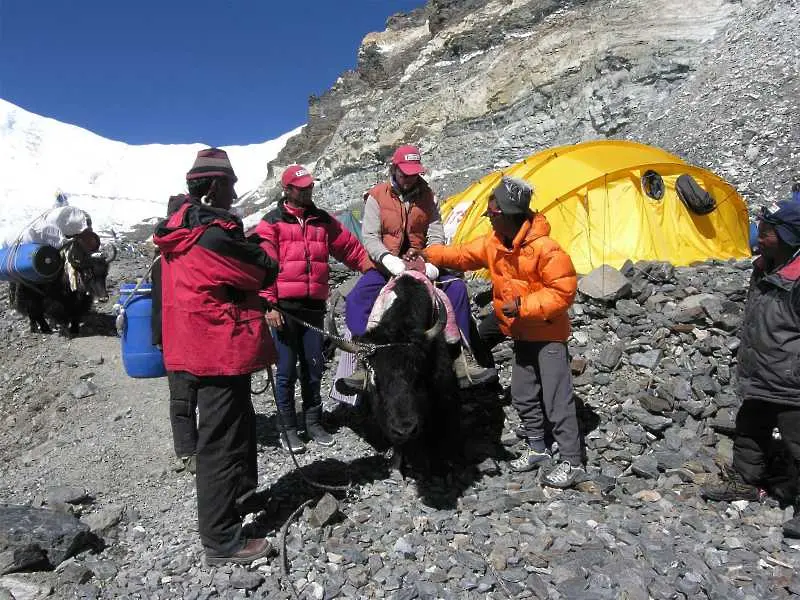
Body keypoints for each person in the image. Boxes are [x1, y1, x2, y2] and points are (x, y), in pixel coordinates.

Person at [153, 148, 279, 565]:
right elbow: (260, 269)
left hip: (196, 343)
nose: (236, 189)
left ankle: (238, 500)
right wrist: (258, 249)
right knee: (221, 442)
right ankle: (222, 540)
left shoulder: (182, 228)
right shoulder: (211, 233)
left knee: (232, 429)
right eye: (230, 182)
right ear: (213, 185)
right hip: (218, 347)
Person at [421, 176, 585, 488]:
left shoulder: (546, 248)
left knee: (556, 399)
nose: (489, 219)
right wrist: (427, 256)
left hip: (548, 336)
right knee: (523, 394)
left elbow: (563, 293)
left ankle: (572, 461)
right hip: (522, 335)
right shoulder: (495, 243)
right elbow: (461, 255)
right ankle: (538, 448)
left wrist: (523, 305)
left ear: (509, 214)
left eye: (492, 214)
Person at [337, 144, 496, 393]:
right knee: (358, 299)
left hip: (420, 261)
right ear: (394, 168)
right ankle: (364, 361)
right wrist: (389, 260)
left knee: (456, 291)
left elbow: (435, 233)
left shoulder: (428, 196)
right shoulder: (376, 196)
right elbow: (369, 237)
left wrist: (430, 263)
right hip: (384, 264)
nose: (410, 178)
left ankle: (461, 358)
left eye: (414, 173)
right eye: (405, 173)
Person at [254, 164, 372, 453]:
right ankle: (287, 428)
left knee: (314, 367)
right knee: (285, 370)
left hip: (314, 306)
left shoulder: (322, 221)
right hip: (283, 308)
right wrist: (269, 303)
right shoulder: (270, 223)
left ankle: (313, 421)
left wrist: (373, 270)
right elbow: (264, 266)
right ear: (288, 190)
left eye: (309, 186)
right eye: (302, 187)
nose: (308, 190)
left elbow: (349, 249)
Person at [702, 200, 800, 537]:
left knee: (797, 439)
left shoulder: (796, 278)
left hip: (792, 380)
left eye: (768, 229)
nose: (760, 232)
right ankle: (746, 482)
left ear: (788, 235)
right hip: (761, 372)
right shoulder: (763, 267)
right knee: (749, 429)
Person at [151, 195, 197, 474]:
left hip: (180, 334)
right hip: (178, 333)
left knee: (185, 395)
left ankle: (190, 448)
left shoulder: (164, 256)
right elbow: (161, 302)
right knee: (183, 395)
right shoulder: (165, 258)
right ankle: (188, 450)